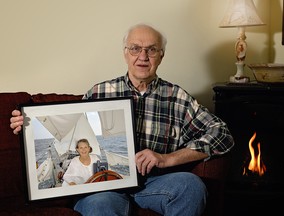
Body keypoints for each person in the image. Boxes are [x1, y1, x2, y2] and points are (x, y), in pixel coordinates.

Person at [10, 23, 234, 216]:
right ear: (125, 52)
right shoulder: (99, 92)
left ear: (162, 55)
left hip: (155, 183)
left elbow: (222, 135)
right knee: (100, 204)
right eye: (135, 48)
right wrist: (28, 124)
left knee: (191, 187)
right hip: (105, 187)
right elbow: (70, 126)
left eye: (151, 50)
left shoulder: (178, 97)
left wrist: (167, 159)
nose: (143, 56)